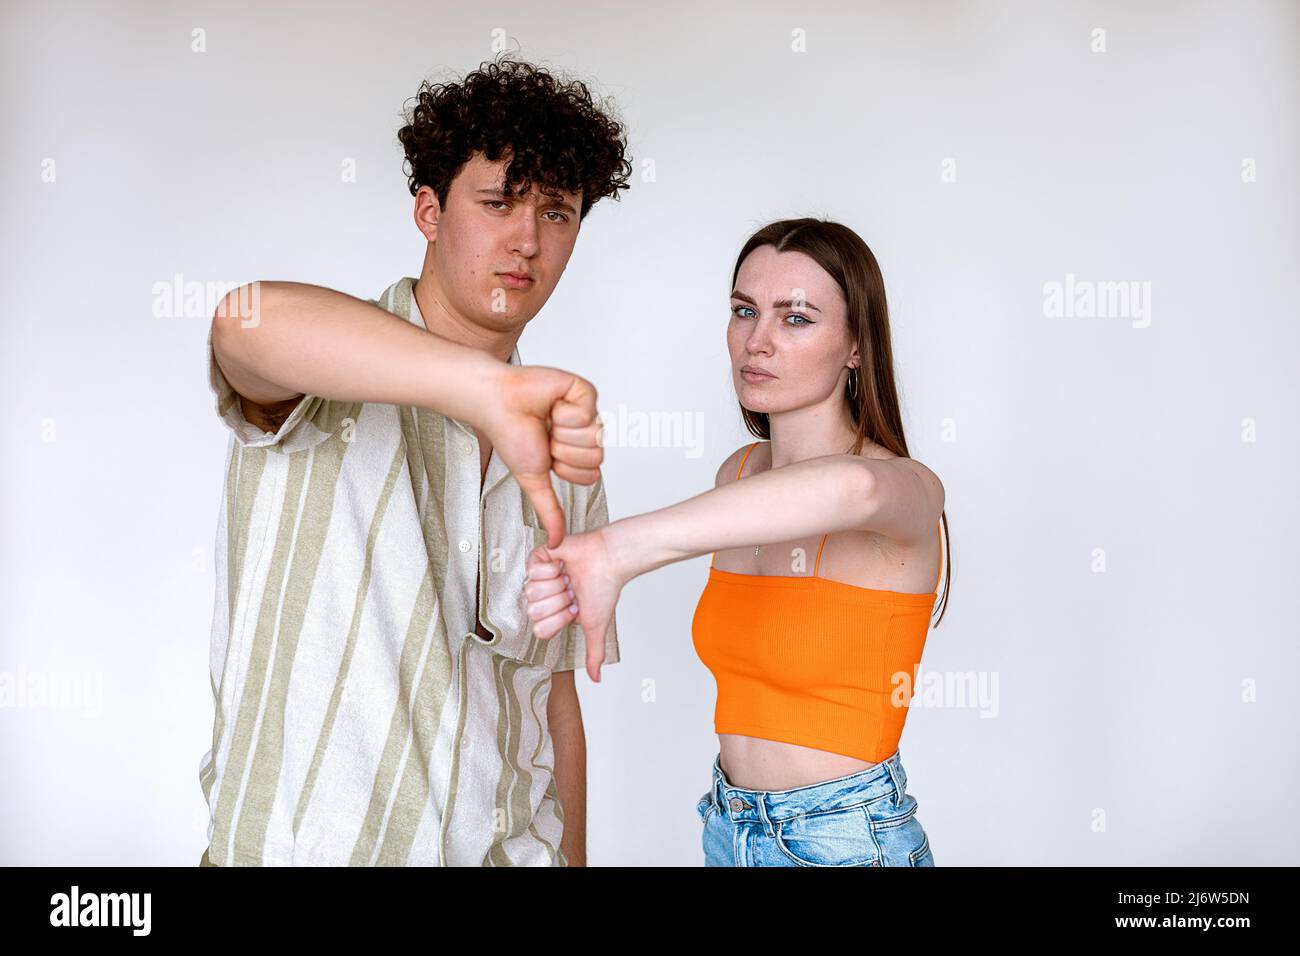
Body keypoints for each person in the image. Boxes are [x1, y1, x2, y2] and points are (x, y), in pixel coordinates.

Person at [198, 57, 631, 867]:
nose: (527, 240)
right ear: (429, 211)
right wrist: (482, 392)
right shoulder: (323, 365)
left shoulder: (564, 446)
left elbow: (554, 695)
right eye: (498, 202)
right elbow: (241, 323)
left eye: (558, 212)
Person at [524, 217, 951, 866]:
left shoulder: (905, 490)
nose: (758, 341)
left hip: (846, 839)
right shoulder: (739, 474)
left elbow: (853, 489)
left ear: (856, 344)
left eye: (797, 318)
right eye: (744, 311)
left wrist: (621, 549)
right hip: (728, 825)